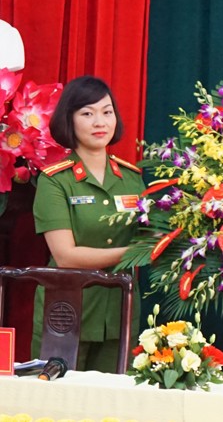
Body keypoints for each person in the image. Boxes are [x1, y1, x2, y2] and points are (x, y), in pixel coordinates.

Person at [32, 75, 145, 372]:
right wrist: (134, 254)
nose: (100, 122)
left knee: (117, 398)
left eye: (107, 112)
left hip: (120, 309)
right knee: (59, 398)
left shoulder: (132, 178)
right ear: (69, 120)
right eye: (87, 113)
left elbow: (150, 235)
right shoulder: (55, 180)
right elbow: (66, 256)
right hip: (67, 312)